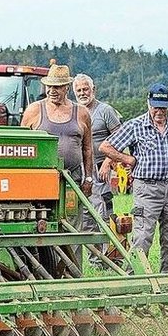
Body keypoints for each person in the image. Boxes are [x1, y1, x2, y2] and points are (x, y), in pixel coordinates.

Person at [99, 84, 168, 281]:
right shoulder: (136, 125)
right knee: (142, 237)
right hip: (147, 189)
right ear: (148, 104)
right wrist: (127, 159)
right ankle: (135, 280)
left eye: (163, 107)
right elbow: (106, 146)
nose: (159, 111)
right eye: (155, 107)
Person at [22, 63, 92, 194]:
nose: (52, 91)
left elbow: (87, 149)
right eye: (49, 86)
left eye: (57, 87)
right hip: (41, 178)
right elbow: (22, 145)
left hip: (72, 178)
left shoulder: (82, 113)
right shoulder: (34, 110)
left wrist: (88, 178)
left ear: (67, 88)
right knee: (43, 214)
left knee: (72, 214)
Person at [75, 73, 122, 238]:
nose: (82, 93)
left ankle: (109, 254)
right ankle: (94, 258)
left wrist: (108, 162)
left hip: (100, 168)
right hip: (80, 168)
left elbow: (120, 138)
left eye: (85, 89)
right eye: (79, 90)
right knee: (85, 213)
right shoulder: (75, 112)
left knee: (103, 210)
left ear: (93, 89)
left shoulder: (105, 111)